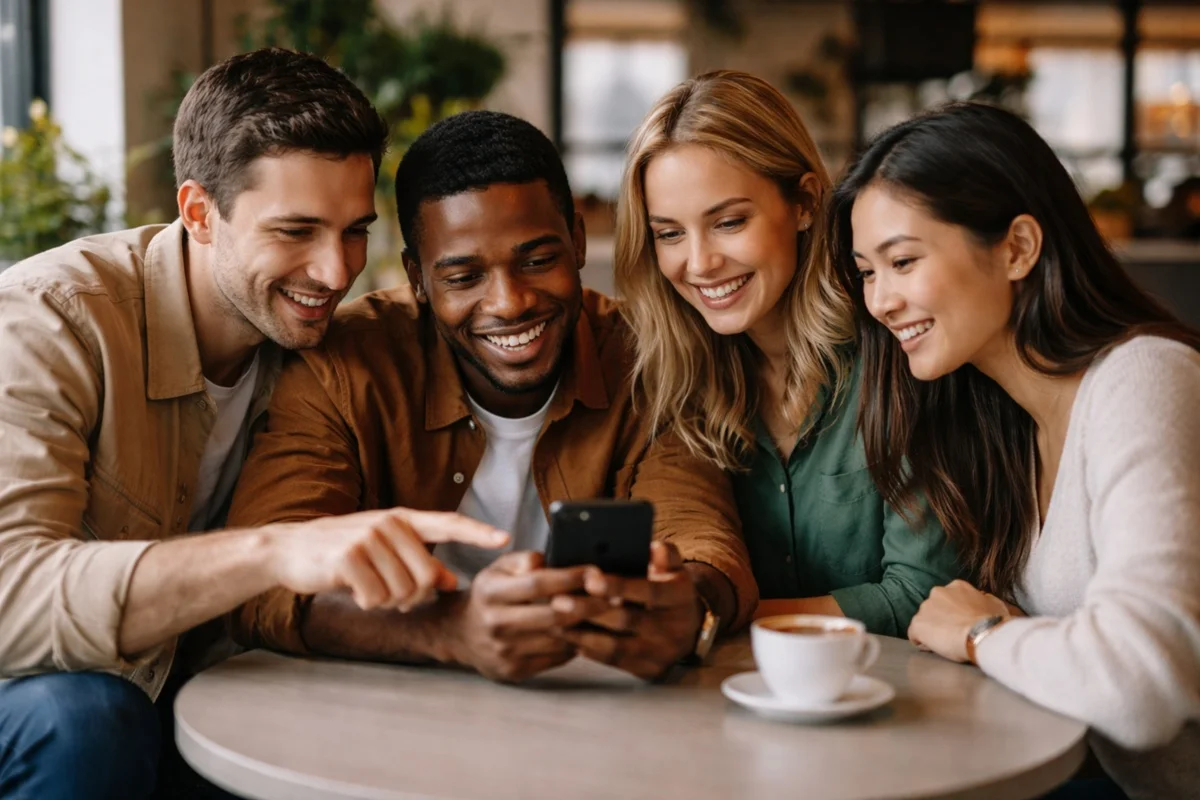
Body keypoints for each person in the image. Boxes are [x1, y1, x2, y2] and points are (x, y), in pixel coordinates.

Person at [0, 48, 504, 800]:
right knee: (84, 719)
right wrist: (273, 551)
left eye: (354, 231)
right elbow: (10, 599)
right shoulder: (51, 319)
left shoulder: (326, 347)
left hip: (176, 691)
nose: (336, 273)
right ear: (201, 214)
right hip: (40, 696)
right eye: (296, 231)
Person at [224, 109, 758, 683]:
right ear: (417, 277)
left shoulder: (648, 360)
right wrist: (450, 628)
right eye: (462, 277)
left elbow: (702, 539)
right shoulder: (343, 367)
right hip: (390, 712)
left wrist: (689, 607)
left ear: (577, 241)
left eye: (538, 260)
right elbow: (261, 579)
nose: (509, 302)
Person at [831, 101, 1200, 799]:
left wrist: (983, 634)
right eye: (867, 273)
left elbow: (1143, 686)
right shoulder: (1005, 426)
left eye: (902, 261)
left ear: (1018, 248)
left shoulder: (1144, 378)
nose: (879, 301)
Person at [612, 70, 959, 636]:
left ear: (803, 203)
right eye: (669, 234)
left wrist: (703, 615)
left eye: (728, 222)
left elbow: (923, 595)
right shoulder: (681, 381)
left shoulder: (901, 352)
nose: (699, 264)